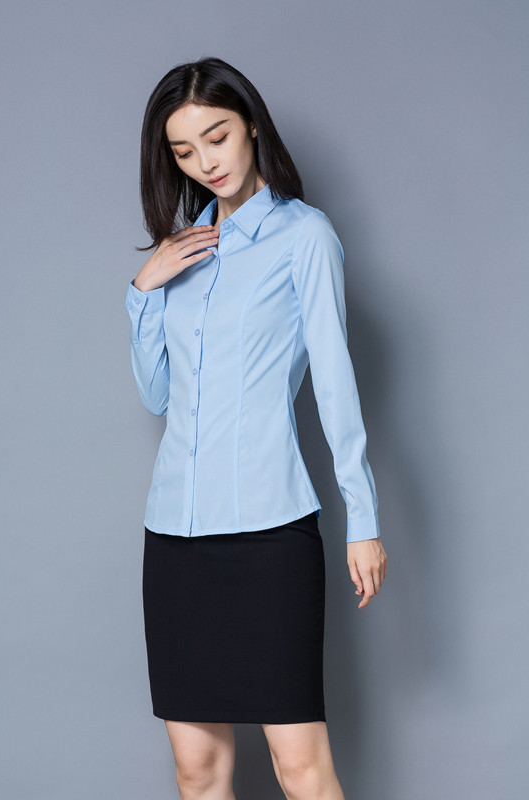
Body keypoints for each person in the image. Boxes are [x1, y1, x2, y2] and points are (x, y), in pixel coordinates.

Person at [124, 56, 387, 800]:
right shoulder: (181, 253)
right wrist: (143, 292)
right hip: (174, 538)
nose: (206, 163)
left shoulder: (305, 236)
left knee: (300, 769)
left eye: (217, 137)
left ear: (252, 127)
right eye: (184, 151)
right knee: (196, 770)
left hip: (269, 535)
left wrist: (362, 519)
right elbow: (157, 396)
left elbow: (335, 384)